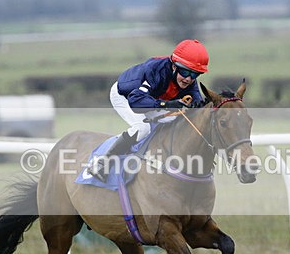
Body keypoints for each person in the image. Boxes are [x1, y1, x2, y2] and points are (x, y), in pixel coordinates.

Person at [87, 39, 209, 182]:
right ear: (174, 66)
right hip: (126, 96)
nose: (188, 78)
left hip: (151, 99)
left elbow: (198, 109)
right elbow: (136, 102)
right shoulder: (157, 70)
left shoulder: (190, 83)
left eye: (194, 74)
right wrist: (168, 104)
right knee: (143, 127)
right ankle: (102, 163)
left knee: (173, 118)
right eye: (185, 71)